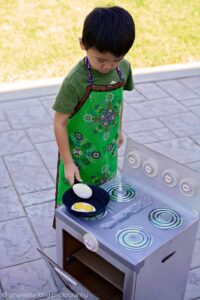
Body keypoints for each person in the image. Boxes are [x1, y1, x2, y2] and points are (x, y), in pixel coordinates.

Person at [53, 6, 135, 206]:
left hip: (107, 149)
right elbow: (59, 123)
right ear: (82, 44)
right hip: (79, 156)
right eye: (101, 59)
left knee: (104, 194)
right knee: (74, 202)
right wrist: (68, 163)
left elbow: (118, 100)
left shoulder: (123, 69)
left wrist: (119, 129)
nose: (108, 66)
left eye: (116, 59)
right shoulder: (75, 80)